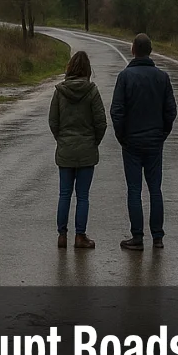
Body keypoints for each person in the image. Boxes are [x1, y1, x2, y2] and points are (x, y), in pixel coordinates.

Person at [110, 33, 177, 251]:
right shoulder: (162, 77)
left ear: (133, 50)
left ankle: (137, 237)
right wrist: (162, 133)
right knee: (155, 189)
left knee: (134, 189)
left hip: (132, 141)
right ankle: (157, 237)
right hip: (154, 140)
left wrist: (122, 137)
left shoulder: (125, 77)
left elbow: (117, 111)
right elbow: (171, 111)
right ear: (150, 50)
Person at [49, 51, 107, 249]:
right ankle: (80, 236)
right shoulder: (92, 91)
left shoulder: (59, 91)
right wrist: (93, 142)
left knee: (64, 194)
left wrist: (61, 139)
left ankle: (62, 235)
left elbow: (53, 121)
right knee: (82, 196)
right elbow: (101, 123)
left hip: (65, 149)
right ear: (88, 70)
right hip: (86, 150)